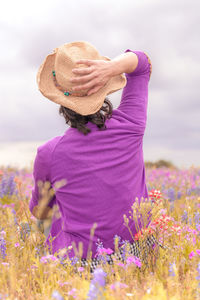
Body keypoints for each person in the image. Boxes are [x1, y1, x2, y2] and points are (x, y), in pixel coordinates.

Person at [29, 41, 158, 272]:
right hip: (140, 252)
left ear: (61, 101)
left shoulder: (49, 153)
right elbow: (142, 65)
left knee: (49, 220)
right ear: (104, 87)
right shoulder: (131, 124)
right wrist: (112, 68)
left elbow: (41, 211)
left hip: (83, 263)